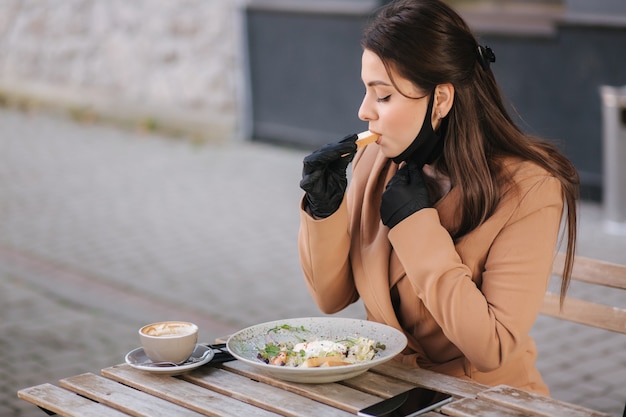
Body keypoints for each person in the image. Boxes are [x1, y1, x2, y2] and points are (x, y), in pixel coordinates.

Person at [298, 0, 579, 395]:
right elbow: (331, 299)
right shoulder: (373, 162)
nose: (363, 111)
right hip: (386, 390)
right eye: (366, 91)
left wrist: (416, 226)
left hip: (484, 400)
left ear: (441, 100)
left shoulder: (530, 188)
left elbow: (492, 349)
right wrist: (323, 211)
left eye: (383, 96)